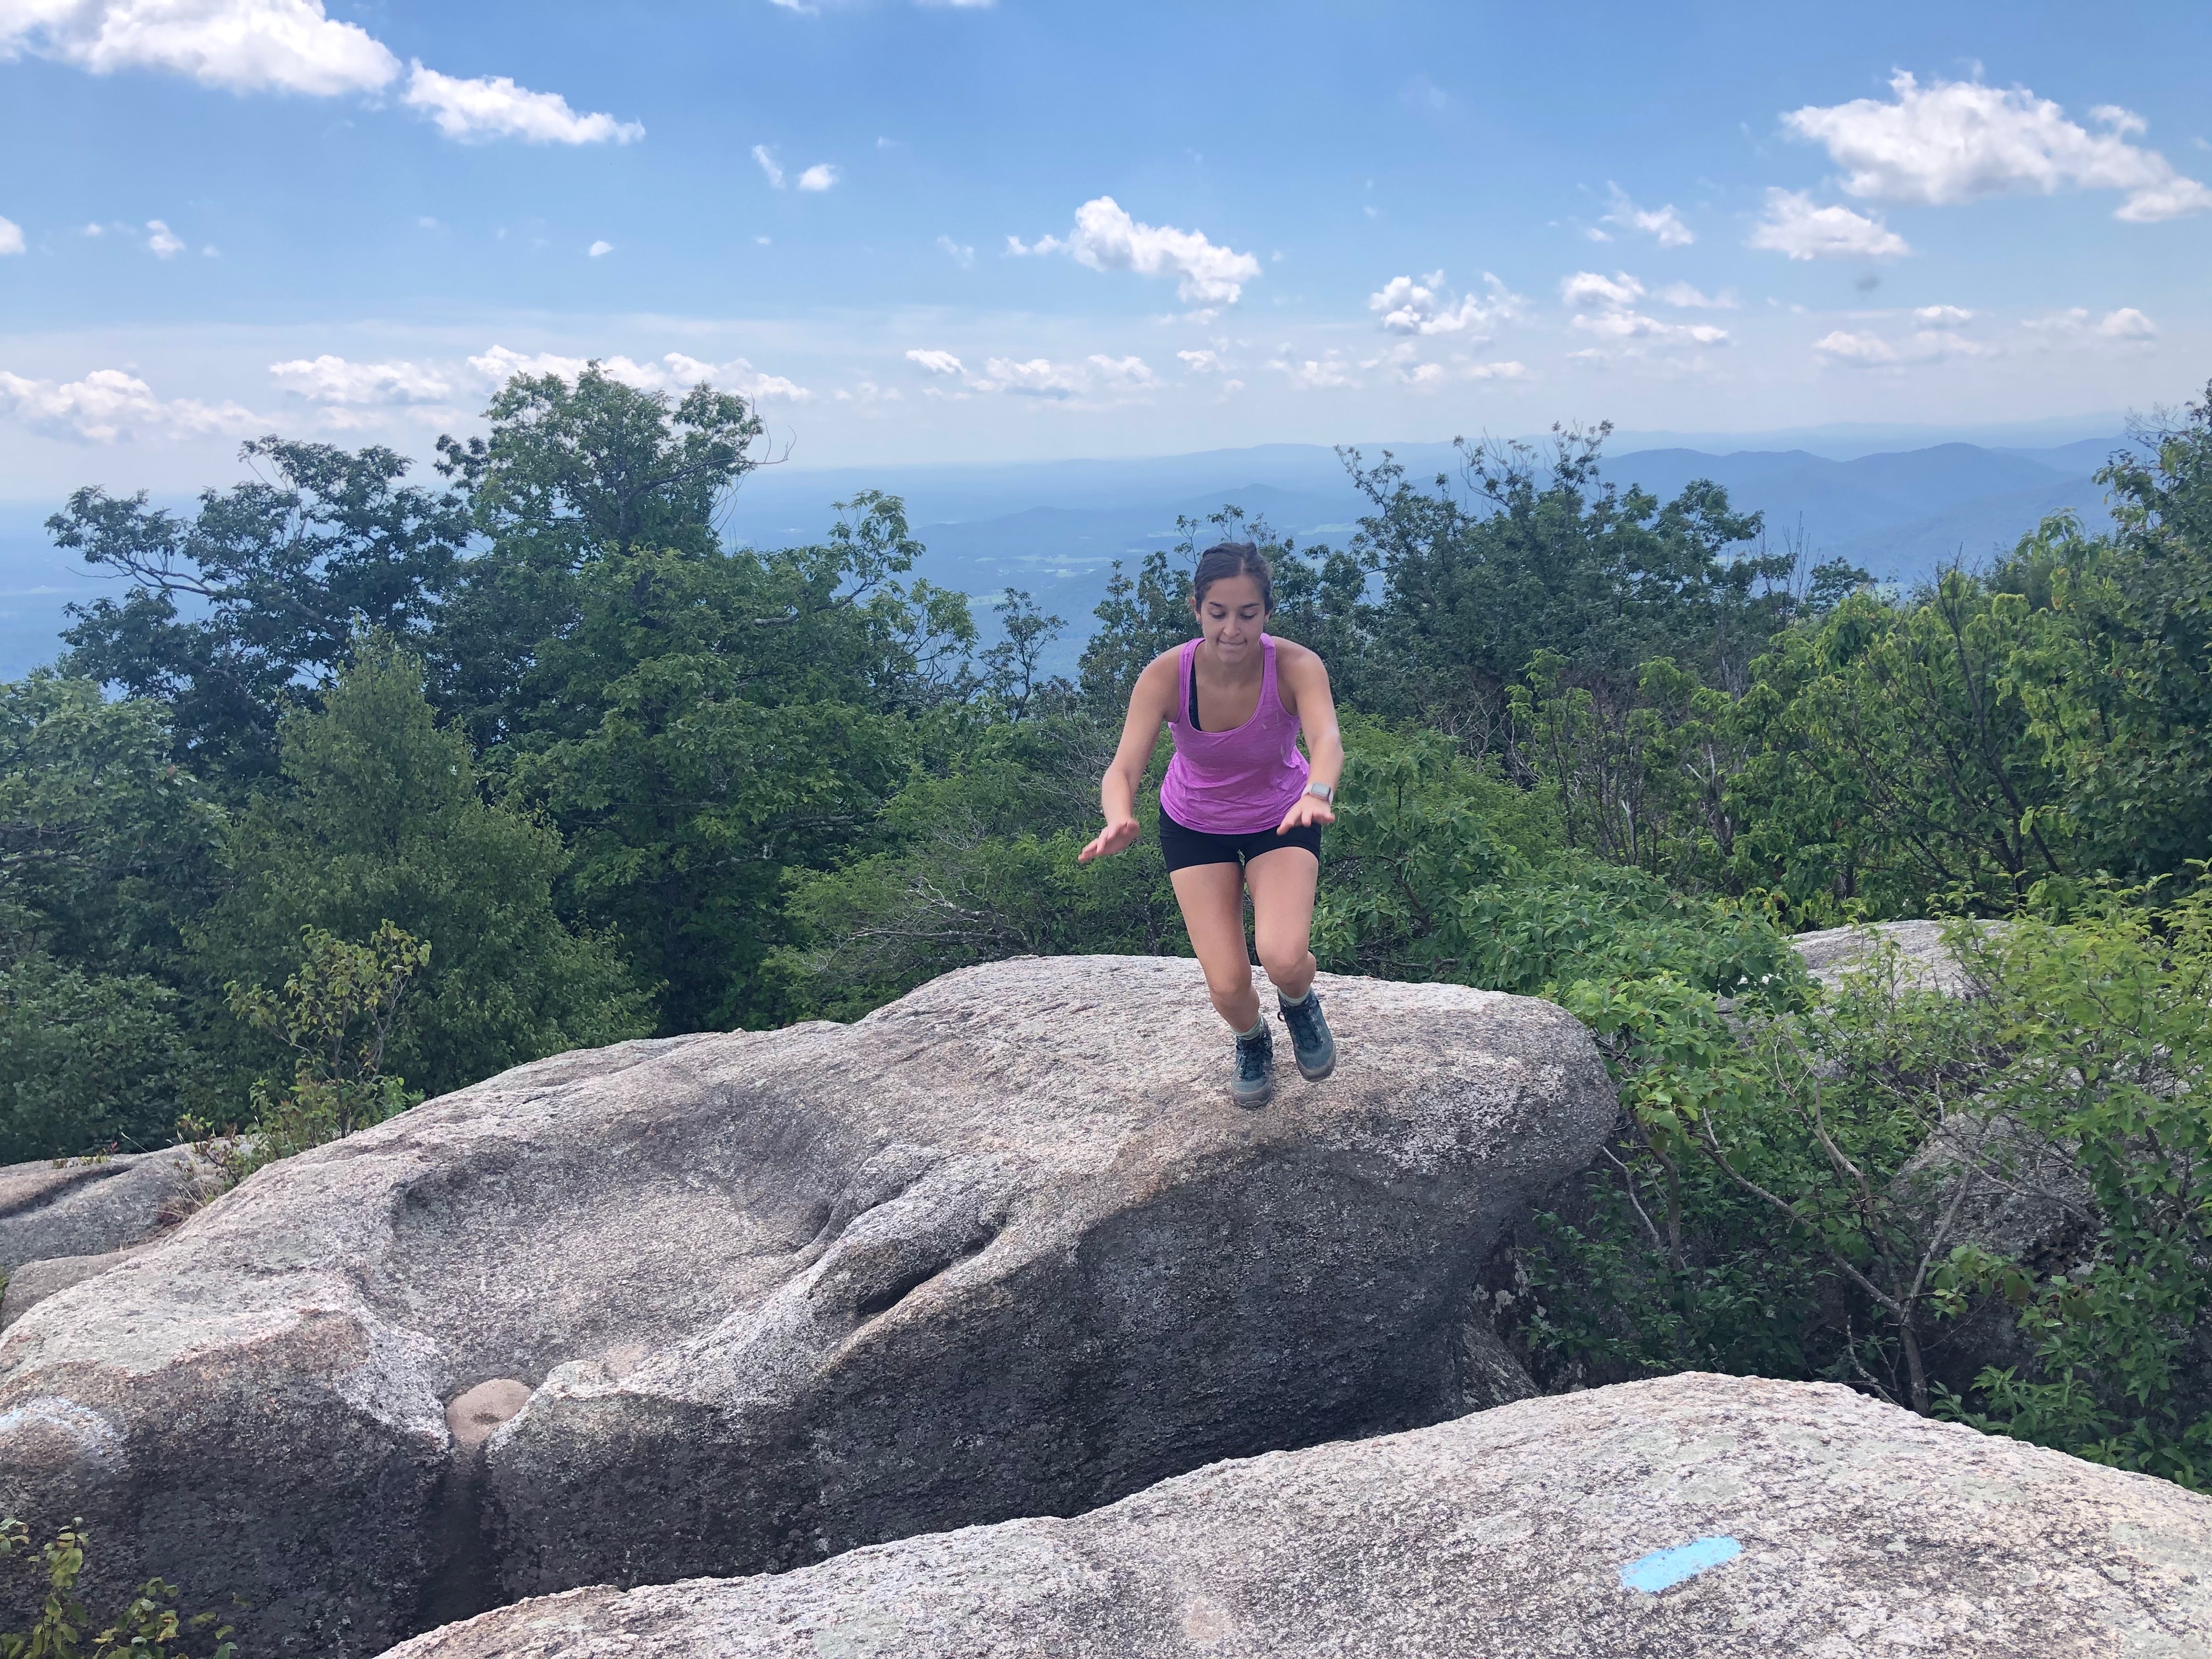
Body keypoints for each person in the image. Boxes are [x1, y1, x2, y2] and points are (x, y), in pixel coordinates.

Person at [1077, 540, 1344, 1106]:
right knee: (1227, 984)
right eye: (1218, 613)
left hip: (1285, 813)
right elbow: (1123, 768)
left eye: (1248, 614)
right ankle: (1252, 1038)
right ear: (1196, 608)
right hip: (1194, 824)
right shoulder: (1166, 676)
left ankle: (1299, 1003)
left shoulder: (1296, 667)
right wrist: (1118, 819)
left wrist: (1318, 790)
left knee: (1283, 957)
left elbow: (1326, 739)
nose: (1232, 629)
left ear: (1267, 612)